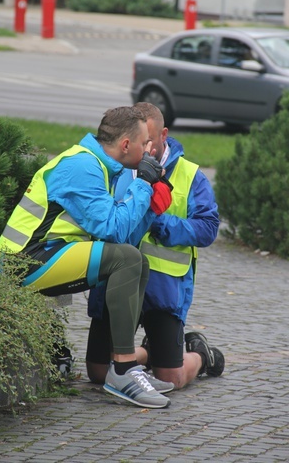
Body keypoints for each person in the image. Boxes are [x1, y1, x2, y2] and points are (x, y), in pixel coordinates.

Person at [0, 105, 174, 409]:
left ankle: (126, 365)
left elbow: (124, 237)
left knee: (137, 260)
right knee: (128, 259)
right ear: (126, 145)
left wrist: (151, 207)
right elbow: (113, 231)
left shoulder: (101, 167)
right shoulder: (83, 166)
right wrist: (143, 185)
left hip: (46, 254)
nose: (149, 151)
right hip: (22, 263)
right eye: (145, 144)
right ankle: (122, 370)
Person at [86, 102, 224, 390]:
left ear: (164, 134)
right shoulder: (117, 166)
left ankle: (200, 355)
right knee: (98, 373)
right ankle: (148, 353)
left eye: (150, 140)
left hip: (163, 288)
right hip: (116, 285)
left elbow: (208, 228)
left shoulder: (190, 174)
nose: (144, 148)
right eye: (140, 141)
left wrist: (159, 224)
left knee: (169, 380)